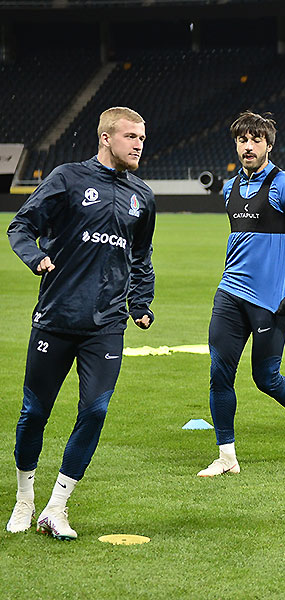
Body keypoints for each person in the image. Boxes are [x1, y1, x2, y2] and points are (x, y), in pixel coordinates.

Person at [6, 107, 156, 540]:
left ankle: (56, 507)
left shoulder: (143, 196)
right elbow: (21, 226)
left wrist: (140, 302)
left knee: (95, 410)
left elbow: (141, 256)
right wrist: (36, 257)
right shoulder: (68, 178)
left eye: (142, 138)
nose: (138, 144)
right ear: (106, 138)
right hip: (56, 318)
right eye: (130, 136)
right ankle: (24, 498)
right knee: (35, 413)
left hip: (106, 324)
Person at [198, 111, 285, 476]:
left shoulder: (284, 185)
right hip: (229, 292)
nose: (248, 147)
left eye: (255, 140)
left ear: (268, 144)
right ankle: (226, 457)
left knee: (266, 378)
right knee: (219, 374)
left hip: (270, 301)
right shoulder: (229, 188)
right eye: (242, 140)